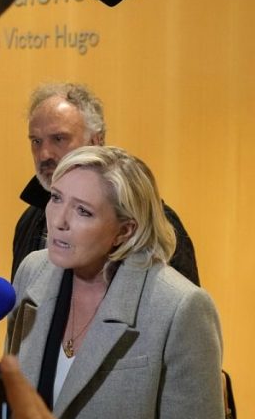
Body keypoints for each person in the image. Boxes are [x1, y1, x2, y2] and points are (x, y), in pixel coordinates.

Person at [6, 146, 225, 419]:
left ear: (125, 230)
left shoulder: (180, 308)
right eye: (56, 198)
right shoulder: (33, 271)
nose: (59, 220)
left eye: (83, 211)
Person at [12, 83, 200, 285]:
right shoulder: (30, 219)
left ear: (95, 142)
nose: (44, 154)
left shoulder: (149, 220)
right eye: (36, 141)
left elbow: (175, 309)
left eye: (58, 139)